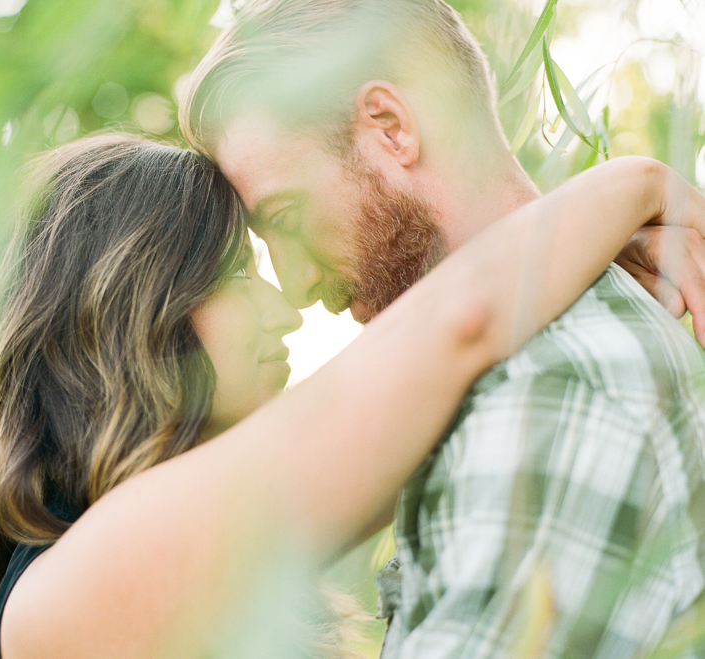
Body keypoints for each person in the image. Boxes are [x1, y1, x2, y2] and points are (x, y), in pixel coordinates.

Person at [0, 132, 705, 659]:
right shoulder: (78, 583)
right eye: (234, 272)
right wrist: (633, 183)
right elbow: (457, 327)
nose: (284, 307)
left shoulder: (110, 550)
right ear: (128, 310)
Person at [179, 0, 705, 656]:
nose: (293, 287)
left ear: (391, 127)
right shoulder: (487, 377)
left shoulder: (550, 384)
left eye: (286, 218)